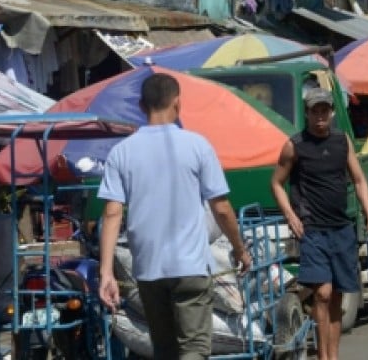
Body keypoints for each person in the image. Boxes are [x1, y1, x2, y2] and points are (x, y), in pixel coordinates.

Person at [97, 73, 252, 360]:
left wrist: (106, 272)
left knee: (165, 351)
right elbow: (221, 208)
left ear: (141, 106)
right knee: (193, 349)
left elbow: (112, 213)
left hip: (148, 270)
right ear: (178, 103)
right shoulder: (198, 146)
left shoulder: (121, 153)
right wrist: (240, 250)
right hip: (191, 267)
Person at [270, 88, 368, 360]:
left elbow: (358, 180)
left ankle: (333, 355)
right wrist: (291, 215)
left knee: (337, 297)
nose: (320, 116)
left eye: (324, 110)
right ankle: (322, 356)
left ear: (331, 112)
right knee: (322, 293)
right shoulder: (295, 146)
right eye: (314, 111)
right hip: (313, 231)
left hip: (341, 230)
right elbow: (276, 183)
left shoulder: (342, 141)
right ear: (306, 113)